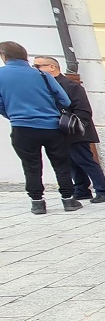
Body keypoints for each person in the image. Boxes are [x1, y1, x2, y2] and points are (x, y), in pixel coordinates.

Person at [0, 41, 79, 215]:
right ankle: (68, 200)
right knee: (61, 164)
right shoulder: (42, 75)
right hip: (52, 127)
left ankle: (37, 202)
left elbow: (0, 104)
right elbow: (64, 100)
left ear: (4, 56)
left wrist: (13, 114)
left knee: (31, 165)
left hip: (22, 128)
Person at [33, 56, 105, 203]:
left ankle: (103, 190)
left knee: (85, 160)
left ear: (52, 67)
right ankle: (82, 190)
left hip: (75, 130)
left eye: (38, 66)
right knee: (71, 163)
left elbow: (83, 110)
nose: (35, 69)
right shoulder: (46, 86)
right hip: (60, 131)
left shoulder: (70, 85)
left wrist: (74, 126)